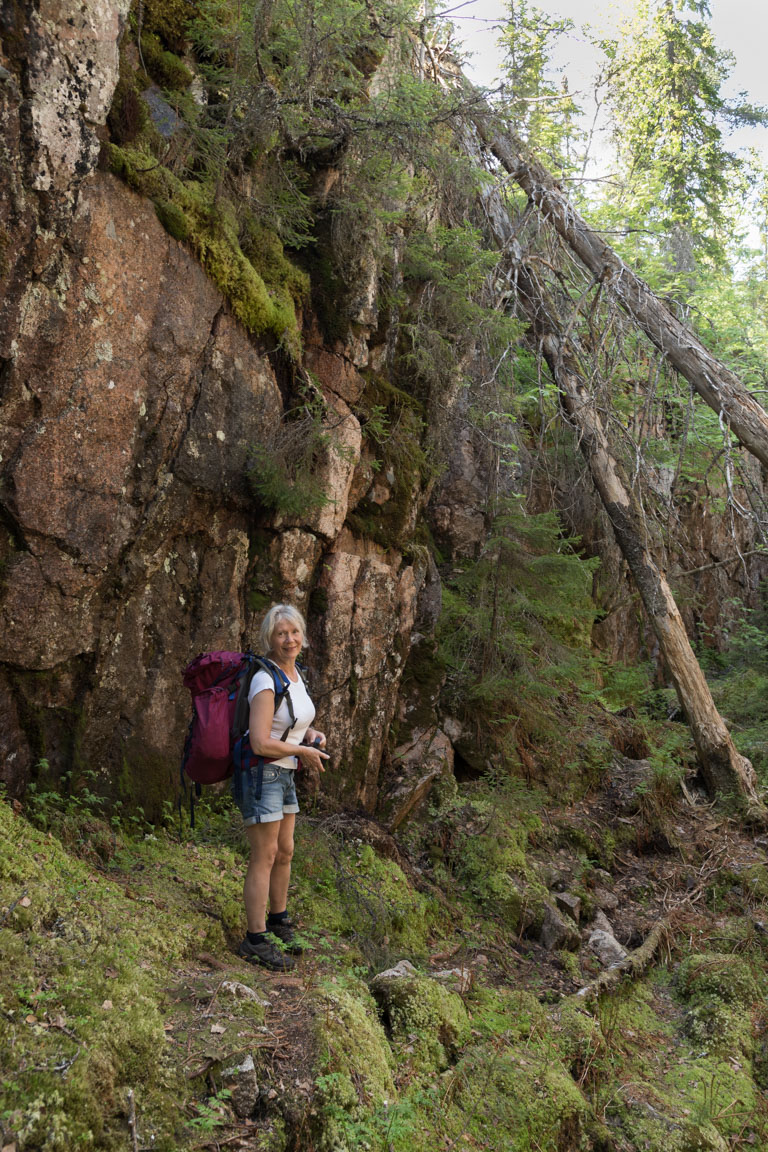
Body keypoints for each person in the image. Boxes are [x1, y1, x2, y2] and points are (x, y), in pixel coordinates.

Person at [232, 603, 328, 970]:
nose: (289, 639)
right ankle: (254, 940)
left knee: (285, 851)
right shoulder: (263, 679)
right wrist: (301, 750)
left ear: (302, 635)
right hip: (262, 773)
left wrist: (311, 736)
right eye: (281, 634)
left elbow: (292, 722)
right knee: (265, 855)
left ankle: (278, 920)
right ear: (269, 639)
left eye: (294, 632)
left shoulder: (296, 674)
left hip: (284, 772)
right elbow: (259, 741)